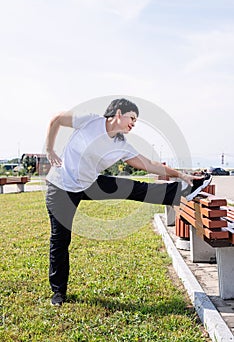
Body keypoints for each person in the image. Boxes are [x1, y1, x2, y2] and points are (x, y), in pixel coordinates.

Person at [45, 98, 212, 306]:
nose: (134, 123)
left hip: (88, 184)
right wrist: (49, 149)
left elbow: (149, 165)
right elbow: (56, 119)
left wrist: (181, 174)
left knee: (133, 187)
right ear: (118, 114)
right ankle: (58, 292)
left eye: (136, 120)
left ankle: (183, 190)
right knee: (60, 240)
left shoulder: (121, 145)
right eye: (132, 118)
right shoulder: (89, 121)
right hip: (60, 186)